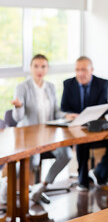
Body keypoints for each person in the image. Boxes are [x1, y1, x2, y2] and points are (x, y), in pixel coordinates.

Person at [10, 54, 76, 203]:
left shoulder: (50, 87)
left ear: (47, 69)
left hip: (49, 134)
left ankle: (42, 186)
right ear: (31, 68)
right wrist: (18, 106)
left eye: (43, 66)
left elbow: (55, 112)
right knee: (32, 162)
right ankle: (8, 183)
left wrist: (66, 116)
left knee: (67, 154)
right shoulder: (22, 87)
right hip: (29, 135)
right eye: (36, 66)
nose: (40, 70)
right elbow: (17, 118)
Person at [61, 56, 108, 191]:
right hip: (76, 127)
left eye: (84, 70)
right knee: (82, 141)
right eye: (77, 70)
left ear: (91, 70)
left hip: (96, 125)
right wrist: (69, 115)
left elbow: (102, 106)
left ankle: (100, 173)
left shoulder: (102, 83)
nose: (80, 74)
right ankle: (82, 180)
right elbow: (64, 108)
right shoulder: (68, 84)